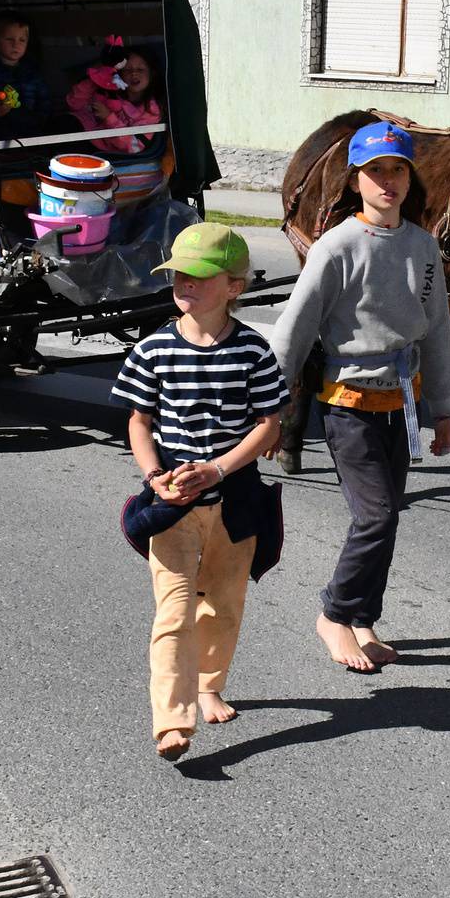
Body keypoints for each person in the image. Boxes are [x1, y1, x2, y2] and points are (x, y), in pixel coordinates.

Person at [268, 121, 450, 673]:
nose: (387, 181)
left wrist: (441, 408)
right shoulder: (337, 246)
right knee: (374, 516)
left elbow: (438, 331)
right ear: (355, 181)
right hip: (347, 402)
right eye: (375, 171)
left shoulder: (423, 247)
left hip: (401, 404)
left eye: (397, 169)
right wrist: (275, 410)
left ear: (410, 176)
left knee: (388, 515)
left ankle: (363, 619)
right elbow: (294, 332)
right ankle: (335, 613)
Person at [112, 223, 287, 761]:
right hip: (172, 506)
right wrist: (153, 477)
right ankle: (171, 720)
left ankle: (209, 684)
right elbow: (139, 422)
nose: (185, 284)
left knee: (225, 606)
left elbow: (268, 426)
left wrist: (219, 469)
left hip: (234, 505)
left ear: (234, 286)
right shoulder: (153, 349)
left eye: (201, 276)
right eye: (178, 275)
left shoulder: (253, 351)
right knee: (173, 613)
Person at [67, 40, 163, 155]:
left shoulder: (151, 110)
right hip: (84, 138)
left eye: (140, 70)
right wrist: (98, 78)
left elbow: (134, 146)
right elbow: (73, 104)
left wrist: (108, 118)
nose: (133, 74)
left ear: (152, 74)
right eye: (127, 69)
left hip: (105, 154)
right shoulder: (106, 92)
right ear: (119, 73)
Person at [0, 12, 53, 139]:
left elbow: (44, 102)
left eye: (22, 40)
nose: (16, 45)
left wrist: (39, 122)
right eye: (9, 39)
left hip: (31, 133)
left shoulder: (33, 72)